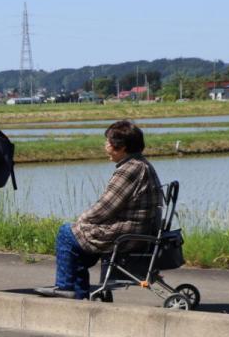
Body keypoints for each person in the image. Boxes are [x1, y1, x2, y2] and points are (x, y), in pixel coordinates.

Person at [36, 120, 162, 300]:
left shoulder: (129, 169)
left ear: (121, 147)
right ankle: (78, 296)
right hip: (137, 230)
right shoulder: (142, 164)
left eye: (108, 142)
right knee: (77, 244)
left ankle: (65, 287)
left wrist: (82, 220)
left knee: (66, 233)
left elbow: (105, 208)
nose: (105, 146)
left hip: (127, 234)